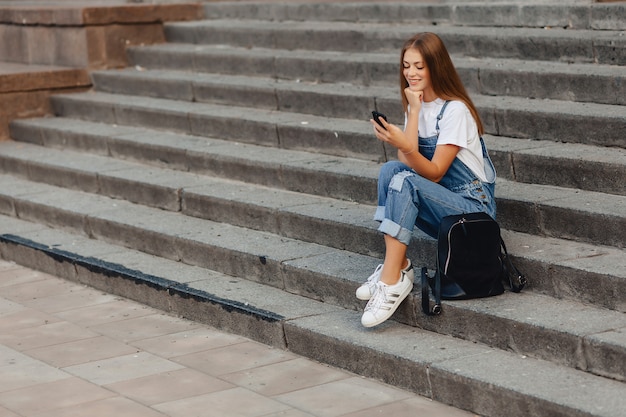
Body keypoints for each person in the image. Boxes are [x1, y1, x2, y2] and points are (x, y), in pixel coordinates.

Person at [358, 32, 497, 328]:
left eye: (419, 66)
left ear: (436, 66)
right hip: (443, 209)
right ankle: (399, 268)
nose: (411, 73)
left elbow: (434, 172)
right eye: (406, 65)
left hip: (473, 215)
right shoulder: (416, 104)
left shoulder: (455, 110)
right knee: (390, 171)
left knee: (406, 181)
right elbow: (406, 160)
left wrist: (406, 143)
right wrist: (415, 111)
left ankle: (391, 280)